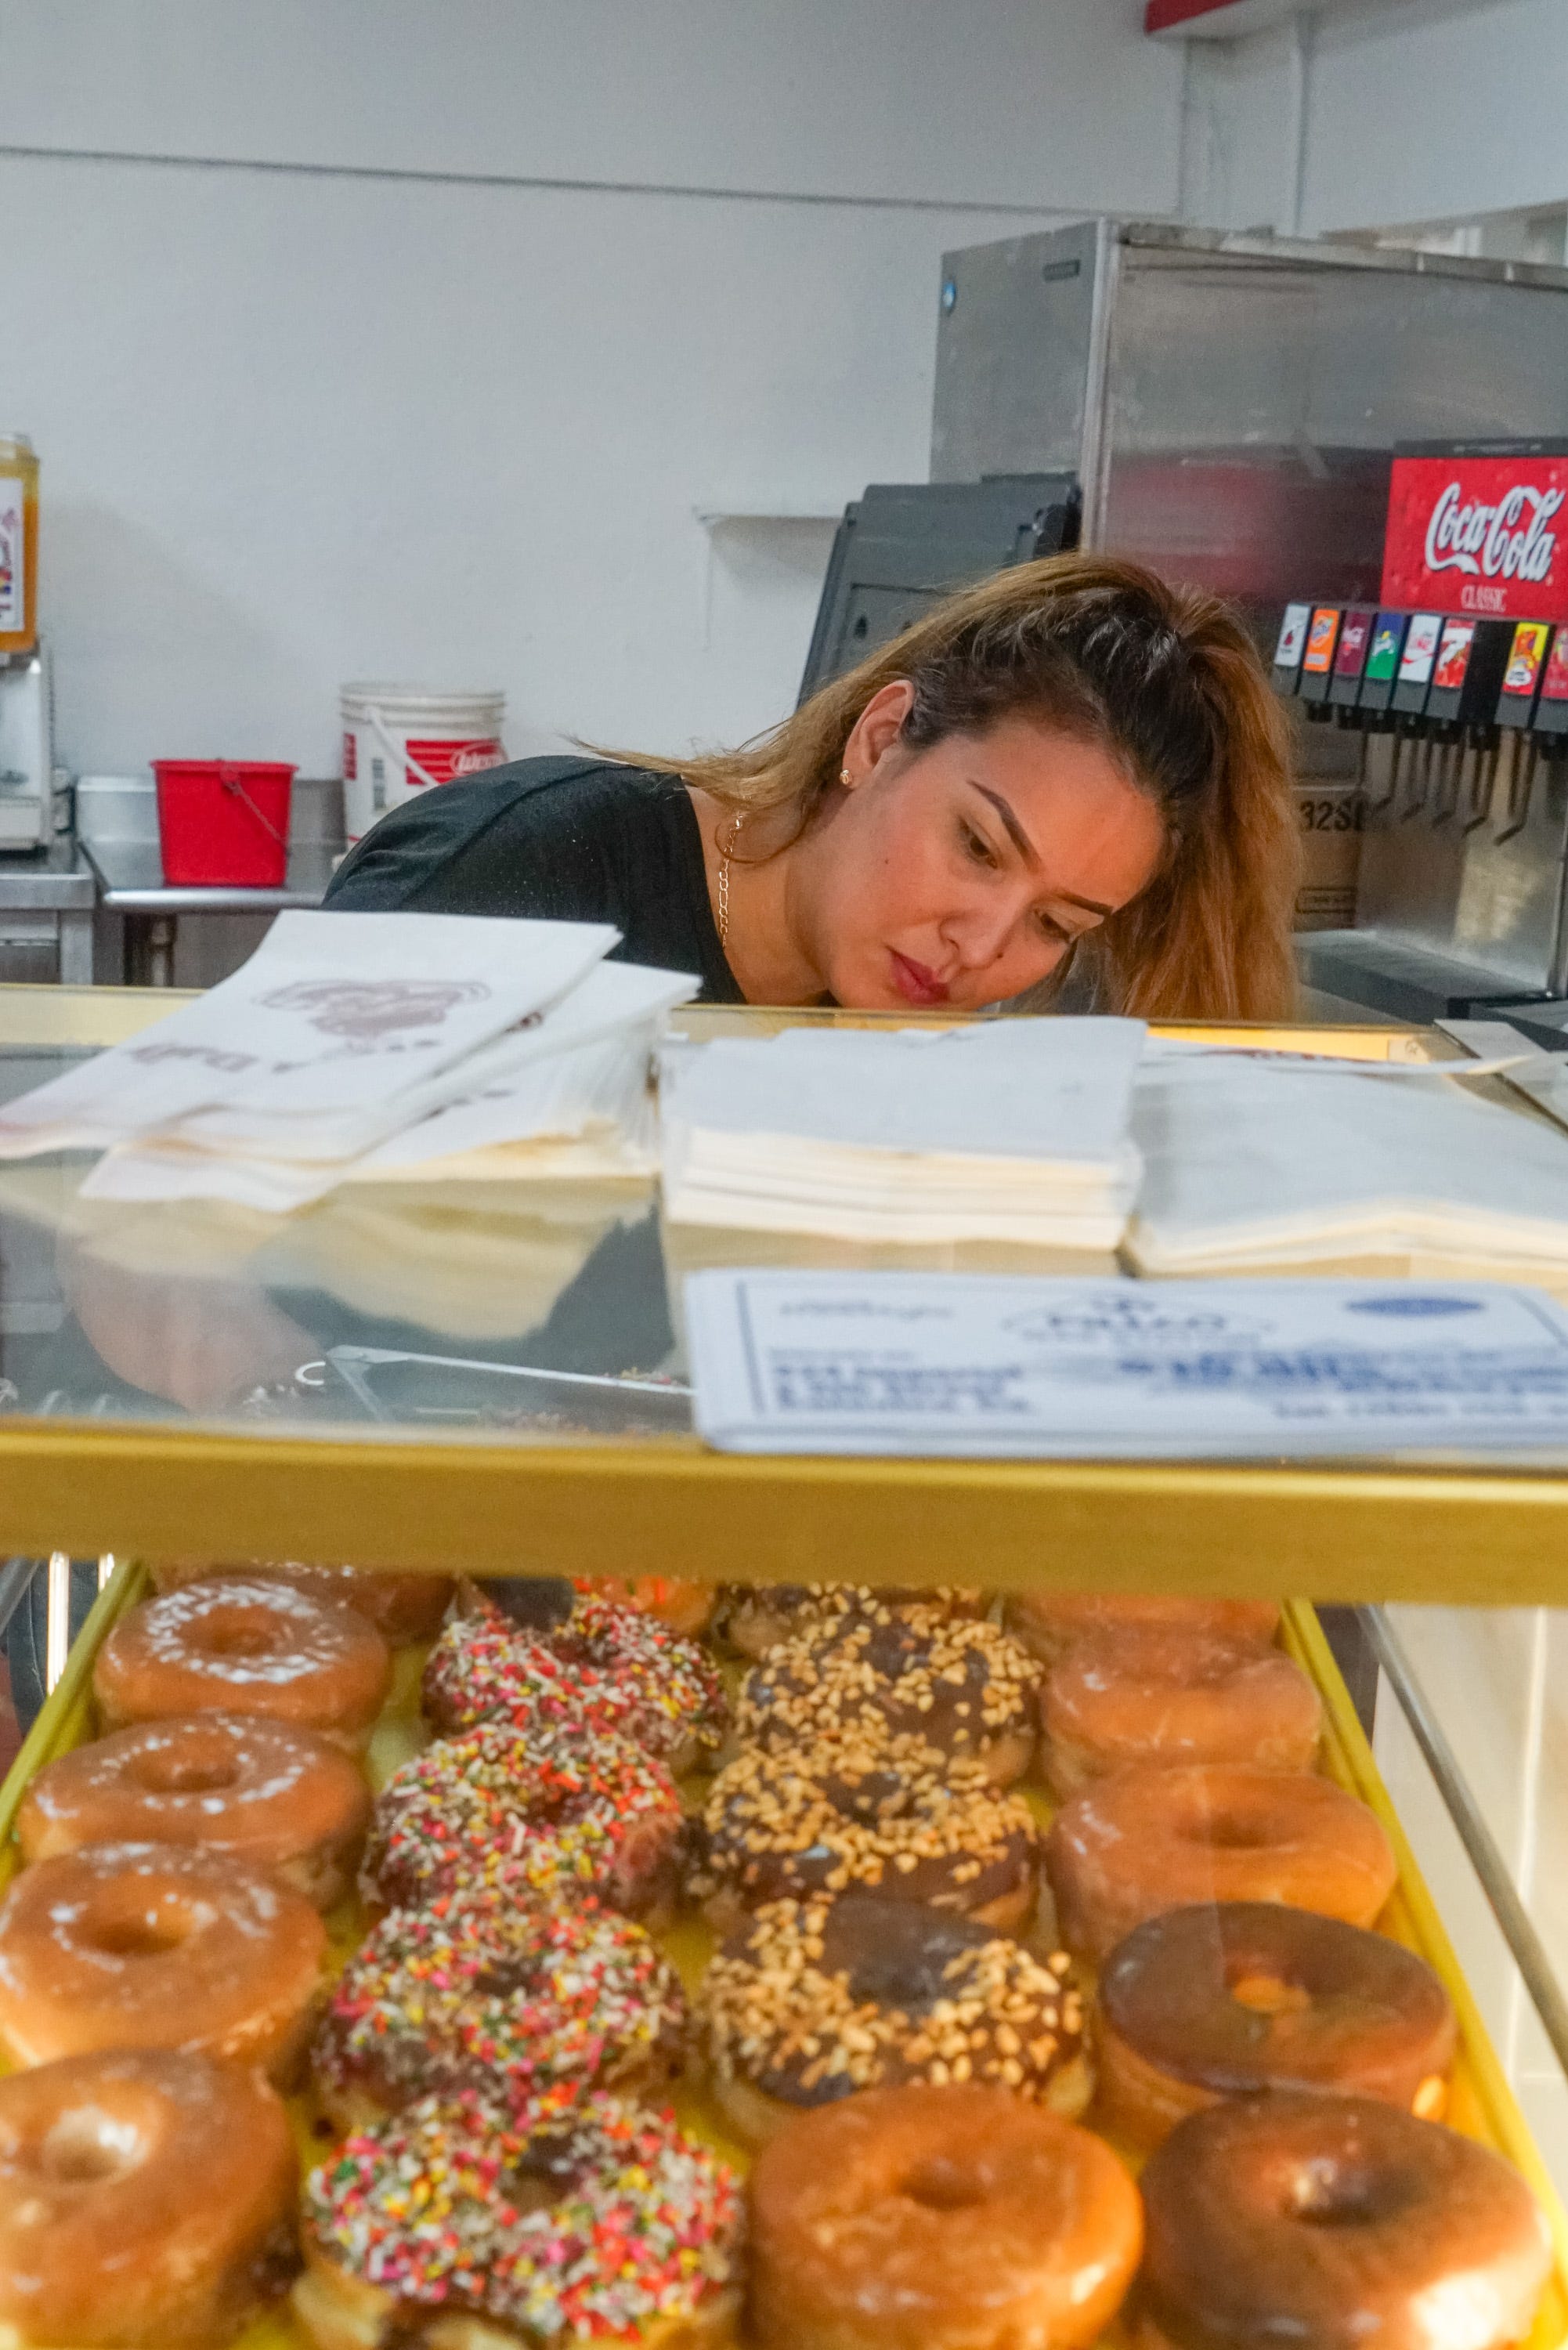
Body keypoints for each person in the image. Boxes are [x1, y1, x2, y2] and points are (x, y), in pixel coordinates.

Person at [324, 554, 1299, 1019]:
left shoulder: (871, 1023)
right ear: (879, 740)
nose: (984, 947)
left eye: (1057, 925)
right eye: (978, 846)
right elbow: (211, 1257)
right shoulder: (520, 872)